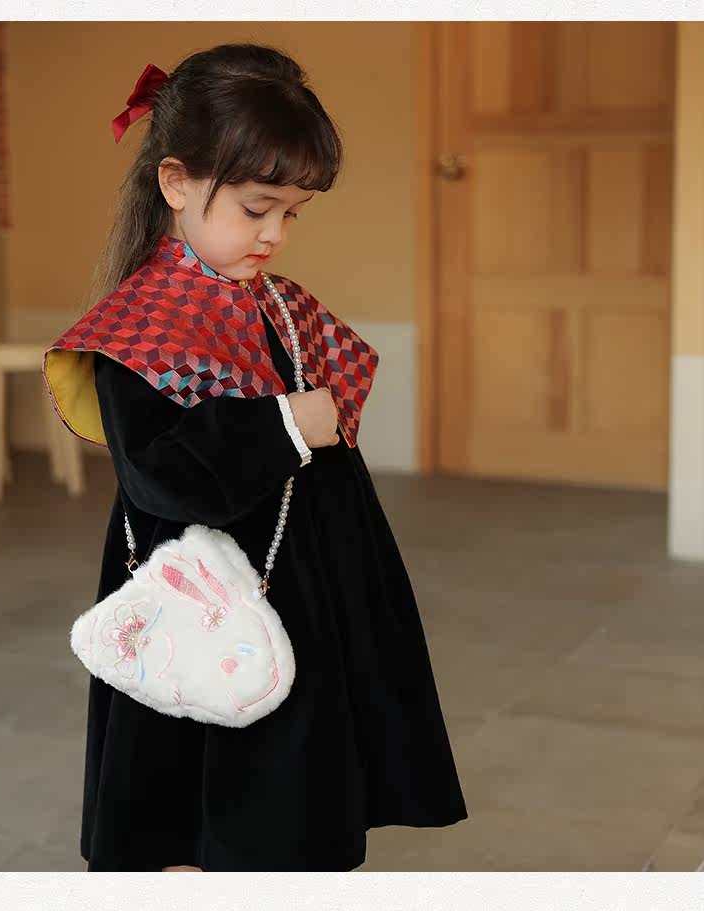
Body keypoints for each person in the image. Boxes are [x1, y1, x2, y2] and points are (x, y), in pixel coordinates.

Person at [42, 42, 467, 873]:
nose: (274, 234)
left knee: (293, 804)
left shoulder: (273, 303)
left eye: (292, 213)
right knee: (201, 803)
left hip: (299, 589)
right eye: (257, 207)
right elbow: (158, 475)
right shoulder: (139, 326)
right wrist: (286, 424)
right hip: (202, 608)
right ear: (175, 183)